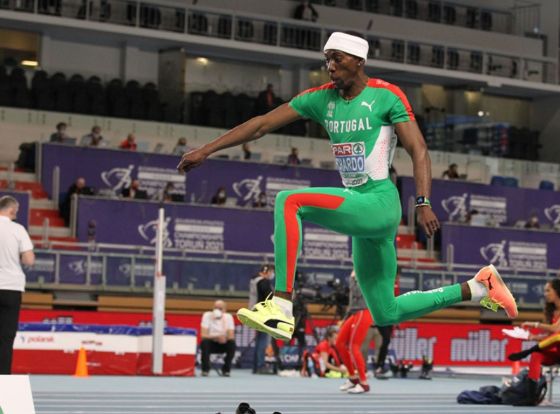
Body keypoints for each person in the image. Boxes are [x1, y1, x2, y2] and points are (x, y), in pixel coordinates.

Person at [178, 31, 518, 342]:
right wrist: (207, 149)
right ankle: (476, 287)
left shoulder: (386, 97)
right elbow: (262, 125)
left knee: (289, 200)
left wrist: (423, 201)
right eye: (327, 60)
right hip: (362, 214)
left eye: (337, 59)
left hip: (381, 203)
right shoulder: (320, 99)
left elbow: (419, 149)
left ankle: (281, 305)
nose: (330, 67)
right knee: (385, 312)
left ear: (359, 61)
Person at [507, 278, 560, 406]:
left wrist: (534, 324)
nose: (545, 294)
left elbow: (556, 329)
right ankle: (531, 397)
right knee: (537, 356)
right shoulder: (554, 313)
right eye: (544, 291)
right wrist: (530, 336)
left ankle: (528, 351)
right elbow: (549, 336)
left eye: (548, 290)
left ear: (557, 291)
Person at [0, 196, 35, 374]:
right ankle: (3, 380)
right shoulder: (18, 229)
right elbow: (29, 259)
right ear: (12, 210)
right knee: (6, 337)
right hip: (11, 287)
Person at [336, 271, 373, 394]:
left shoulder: (367, 273)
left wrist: (353, 279)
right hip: (355, 312)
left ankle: (364, 383)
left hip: (364, 311)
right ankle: (353, 378)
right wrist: (345, 318)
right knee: (339, 343)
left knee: (353, 346)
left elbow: (358, 293)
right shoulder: (357, 272)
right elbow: (353, 301)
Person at [200, 300, 236, 377]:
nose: (217, 310)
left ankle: (226, 370)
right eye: (215, 308)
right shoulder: (207, 315)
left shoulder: (228, 317)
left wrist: (224, 338)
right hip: (211, 342)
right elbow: (204, 335)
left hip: (223, 343)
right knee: (204, 342)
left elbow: (231, 335)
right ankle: (205, 369)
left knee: (232, 343)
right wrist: (216, 337)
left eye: (220, 308)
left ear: (225, 310)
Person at [250, 265, 275, 374]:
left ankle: (256, 366)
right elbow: (269, 298)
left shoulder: (254, 280)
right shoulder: (263, 282)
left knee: (260, 340)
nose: (272, 275)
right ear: (267, 271)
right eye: (272, 272)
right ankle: (260, 366)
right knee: (262, 341)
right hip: (262, 313)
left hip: (255, 311)